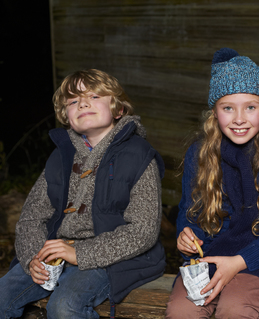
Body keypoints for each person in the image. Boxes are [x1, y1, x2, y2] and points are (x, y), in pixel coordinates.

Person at [0, 69, 166, 319]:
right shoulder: (61, 157)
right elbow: (31, 218)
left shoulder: (139, 156)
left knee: (64, 306)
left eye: (95, 96)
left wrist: (80, 253)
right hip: (56, 253)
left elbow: (142, 230)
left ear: (118, 109)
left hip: (112, 258)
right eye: (73, 101)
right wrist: (33, 257)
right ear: (66, 116)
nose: (83, 103)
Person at [165, 48, 259, 319]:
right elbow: (190, 212)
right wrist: (186, 234)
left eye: (250, 107)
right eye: (228, 108)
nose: (239, 118)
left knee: (234, 309)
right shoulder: (200, 153)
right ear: (214, 112)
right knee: (181, 311)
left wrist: (238, 263)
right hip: (211, 258)